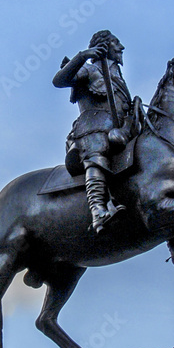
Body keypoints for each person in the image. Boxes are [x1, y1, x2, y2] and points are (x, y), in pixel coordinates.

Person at [53, 30, 133, 232]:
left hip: (118, 131)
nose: (121, 47)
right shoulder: (89, 70)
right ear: (105, 47)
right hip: (92, 130)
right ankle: (97, 210)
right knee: (98, 149)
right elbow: (59, 81)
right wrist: (82, 56)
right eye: (116, 42)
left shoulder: (118, 80)